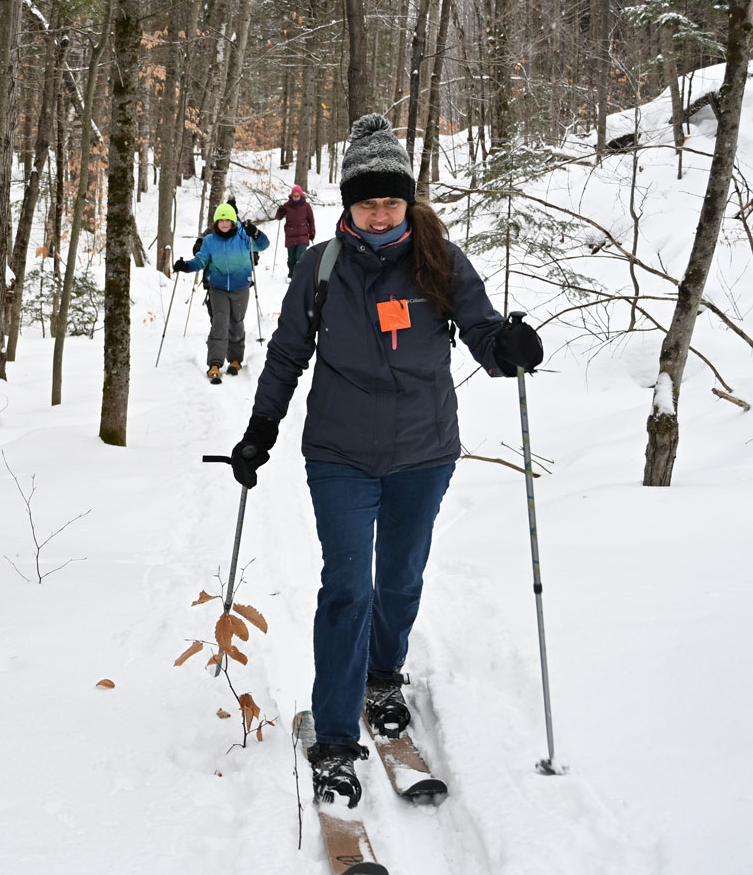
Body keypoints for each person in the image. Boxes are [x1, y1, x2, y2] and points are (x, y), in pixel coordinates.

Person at [228, 115, 543, 807]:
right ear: (348, 203)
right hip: (339, 453)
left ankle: (382, 675)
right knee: (348, 587)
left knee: (399, 580)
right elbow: (286, 356)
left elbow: (485, 337)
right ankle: (337, 737)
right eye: (366, 201)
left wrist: (511, 350)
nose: (378, 213)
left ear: (408, 201)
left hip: (423, 452)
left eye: (390, 201)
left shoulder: (441, 260)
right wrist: (260, 430)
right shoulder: (321, 266)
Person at [173, 203, 271, 382]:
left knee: (236, 323)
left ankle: (235, 360)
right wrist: (186, 266)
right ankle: (215, 363)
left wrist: (255, 232)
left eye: (228, 219)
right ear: (216, 222)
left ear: (233, 221)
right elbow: (201, 261)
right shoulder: (210, 241)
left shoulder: (243, 236)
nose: (224, 223)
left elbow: (263, 245)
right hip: (218, 288)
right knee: (220, 323)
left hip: (241, 287)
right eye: (221, 220)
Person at [275, 185, 316, 272]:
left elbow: (311, 220)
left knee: (300, 256)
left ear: (301, 195)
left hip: (303, 235)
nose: (296, 197)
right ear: (292, 195)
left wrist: (312, 232)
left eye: (298, 195)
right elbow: (278, 217)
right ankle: (291, 274)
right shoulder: (287, 206)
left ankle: (300, 274)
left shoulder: (306, 206)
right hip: (290, 235)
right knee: (291, 258)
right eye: (294, 195)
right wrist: (280, 210)